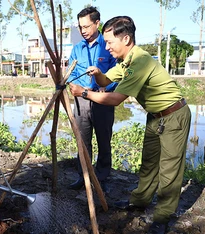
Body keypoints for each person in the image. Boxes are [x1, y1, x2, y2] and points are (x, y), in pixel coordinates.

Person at [69, 16, 191, 234]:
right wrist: (98, 74)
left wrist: (85, 93)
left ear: (125, 39)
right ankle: (140, 201)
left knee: (169, 169)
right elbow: (106, 81)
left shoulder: (140, 61)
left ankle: (162, 217)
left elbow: (115, 98)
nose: (106, 47)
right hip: (155, 116)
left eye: (109, 43)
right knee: (149, 163)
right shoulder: (124, 62)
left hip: (173, 114)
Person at [66, 6, 117, 192]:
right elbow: (70, 73)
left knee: (104, 140)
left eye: (87, 26)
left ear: (97, 23)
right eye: (80, 27)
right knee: (82, 140)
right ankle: (84, 176)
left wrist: (106, 87)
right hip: (81, 100)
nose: (83, 31)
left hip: (102, 100)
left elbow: (116, 74)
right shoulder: (77, 48)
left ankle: (102, 177)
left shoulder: (109, 45)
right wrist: (73, 86)